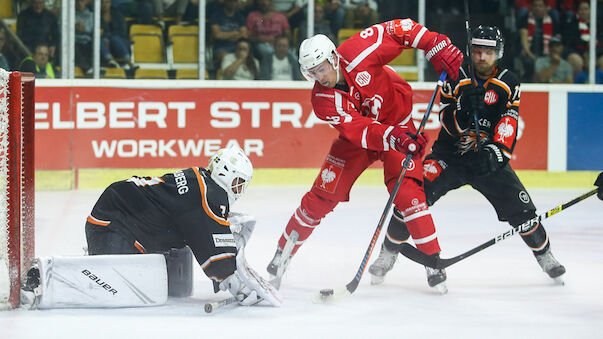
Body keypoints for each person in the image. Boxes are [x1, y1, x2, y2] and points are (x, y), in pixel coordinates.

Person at [266, 19, 463, 291]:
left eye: (321, 69)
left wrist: (432, 44)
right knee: (322, 196)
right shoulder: (322, 100)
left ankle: (432, 260)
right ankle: (281, 255)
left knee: (408, 195)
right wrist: (394, 138)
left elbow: (400, 28)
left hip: (398, 125)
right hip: (361, 141)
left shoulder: (359, 49)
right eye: (312, 74)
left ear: (334, 58)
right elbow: (359, 130)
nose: (320, 78)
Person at [370, 26, 567, 285]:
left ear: (499, 53)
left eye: (488, 52)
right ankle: (388, 252)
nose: (482, 57)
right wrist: (462, 111)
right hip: (448, 156)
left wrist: (496, 154)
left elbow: (509, 121)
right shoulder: (454, 75)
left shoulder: (509, 82)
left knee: (524, 213)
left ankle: (545, 255)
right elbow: (445, 119)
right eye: (477, 51)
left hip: (486, 159)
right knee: (411, 200)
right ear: (470, 51)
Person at [21, 146, 281, 308]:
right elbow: (217, 260)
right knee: (117, 288)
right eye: (238, 183)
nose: (239, 190)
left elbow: (199, 230)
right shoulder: (208, 195)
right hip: (113, 224)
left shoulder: (200, 182)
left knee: (171, 288)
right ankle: (44, 274)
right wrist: (235, 282)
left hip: (114, 213)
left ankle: (92, 260)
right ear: (226, 174)